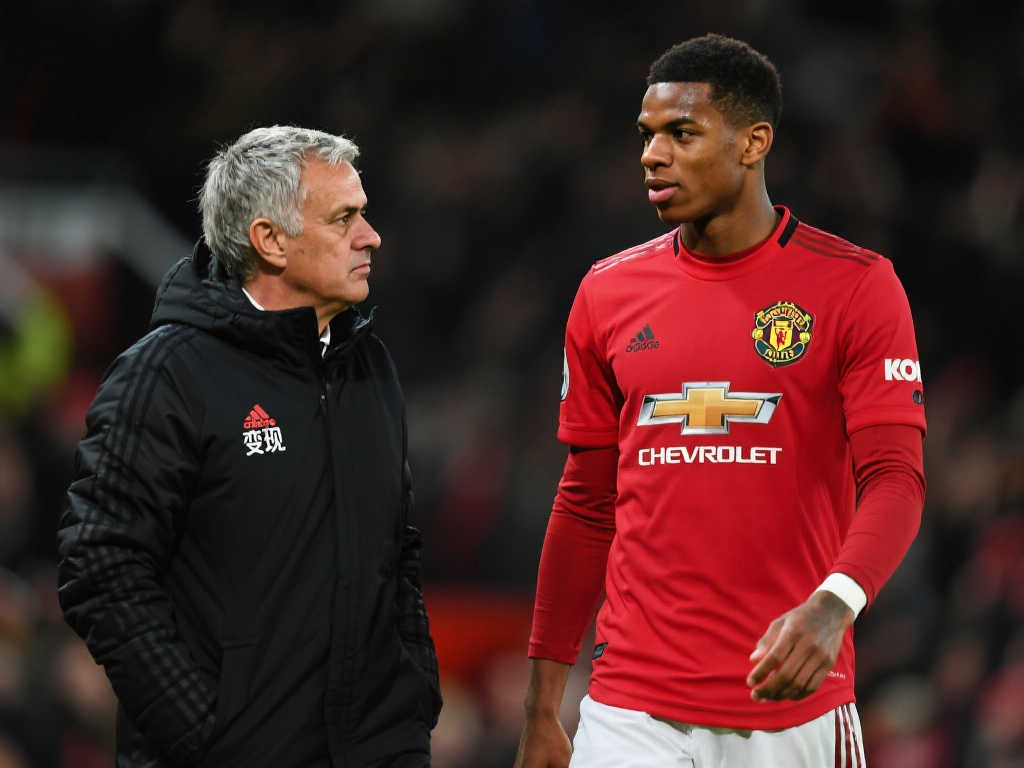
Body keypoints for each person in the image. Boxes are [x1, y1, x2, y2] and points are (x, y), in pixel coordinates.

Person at [515, 34, 926, 767]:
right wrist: (542, 706)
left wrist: (836, 603)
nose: (652, 155)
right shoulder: (608, 293)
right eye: (646, 135)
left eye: (682, 134)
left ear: (753, 143)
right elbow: (585, 502)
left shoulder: (857, 286)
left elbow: (895, 478)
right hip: (628, 712)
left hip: (790, 709)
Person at [57, 126, 441, 767]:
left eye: (363, 214)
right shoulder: (167, 374)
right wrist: (203, 733)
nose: (370, 236)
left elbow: (396, 551)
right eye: (343, 218)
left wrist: (410, 703)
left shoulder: (369, 367)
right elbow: (99, 565)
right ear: (270, 240)